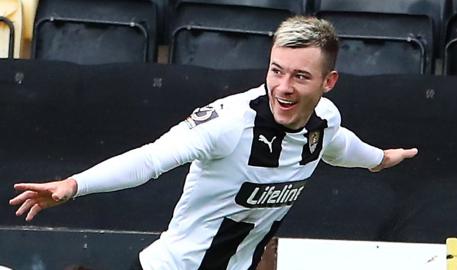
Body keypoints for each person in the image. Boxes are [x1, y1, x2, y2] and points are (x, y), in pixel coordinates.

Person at [9, 16, 418, 270]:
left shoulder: (325, 121)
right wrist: (73, 186)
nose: (284, 87)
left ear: (328, 83)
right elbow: (151, 159)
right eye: (276, 71)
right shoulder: (228, 122)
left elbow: (340, 145)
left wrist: (380, 158)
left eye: (300, 76)